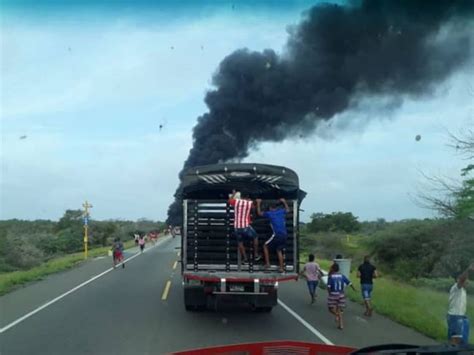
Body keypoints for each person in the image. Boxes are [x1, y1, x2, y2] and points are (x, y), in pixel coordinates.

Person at [256, 198, 289, 273]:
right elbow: (287, 210)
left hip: (277, 234)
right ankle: (281, 268)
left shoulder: (269, 213)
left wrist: (258, 203)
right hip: (284, 234)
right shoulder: (281, 212)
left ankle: (267, 264)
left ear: (270, 208)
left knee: (265, 245)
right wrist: (284, 202)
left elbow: (259, 213)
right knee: (279, 250)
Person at [229, 190, 261, 264]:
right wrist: (257, 202)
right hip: (245, 226)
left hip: (236, 227)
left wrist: (233, 193)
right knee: (255, 237)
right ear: (247, 197)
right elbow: (254, 208)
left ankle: (245, 258)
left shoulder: (236, 202)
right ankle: (256, 254)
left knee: (240, 242)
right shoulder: (249, 203)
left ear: (240, 196)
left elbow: (230, 200)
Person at [447, 263, 473, 345]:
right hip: (455, 316)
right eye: (465, 280)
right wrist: (468, 270)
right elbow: (462, 280)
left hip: (460, 317)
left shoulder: (463, 291)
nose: (467, 281)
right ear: (458, 280)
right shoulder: (456, 288)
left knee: (459, 341)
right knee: (455, 341)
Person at [327, 263, 356, 330]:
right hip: (341, 294)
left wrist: (329, 293)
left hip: (333, 294)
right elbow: (349, 283)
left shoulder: (331, 276)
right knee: (340, 310)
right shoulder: (342, 276)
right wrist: (354, 289)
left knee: (330, 308)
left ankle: (336, 315)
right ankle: (341, 325)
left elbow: (328, 287)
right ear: (338, 269)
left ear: (333, 269)